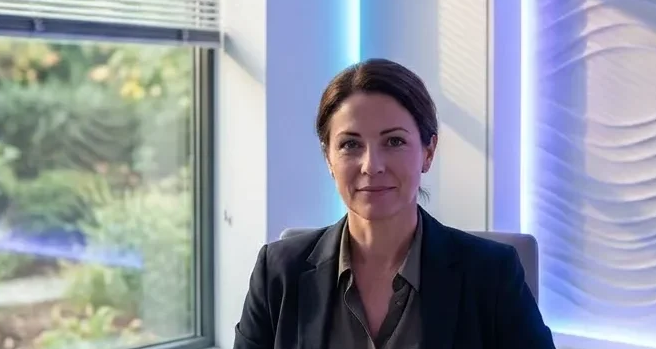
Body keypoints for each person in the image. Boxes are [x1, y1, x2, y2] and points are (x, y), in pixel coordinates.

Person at [233, 58, 556, 349]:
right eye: (350, 144)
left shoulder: (491, 276)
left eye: (394, 141)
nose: (372, 165)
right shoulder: (278, 272)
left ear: (428, 152)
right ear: (328, 158)